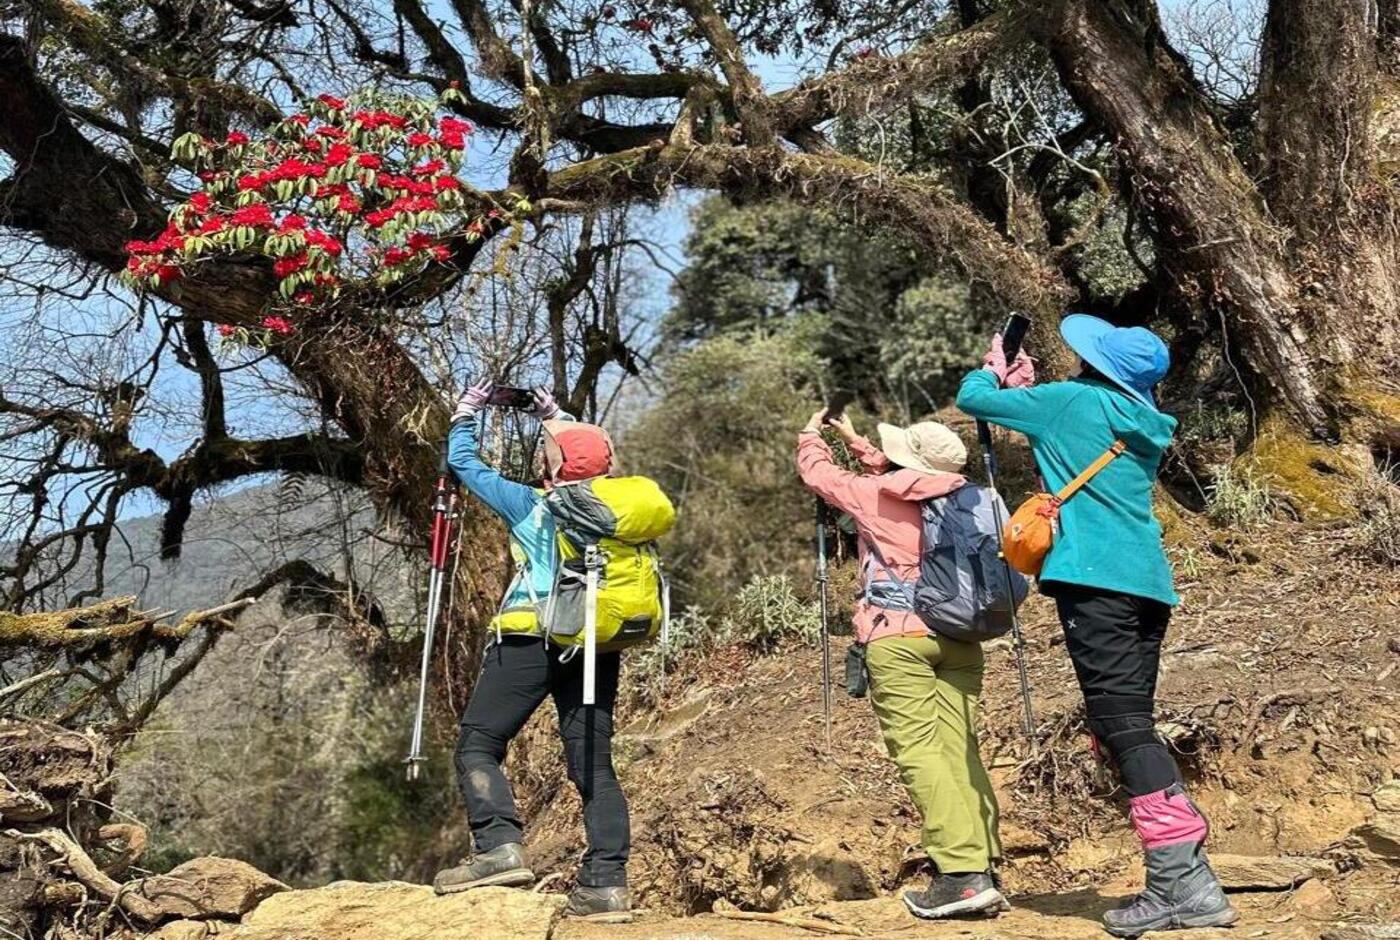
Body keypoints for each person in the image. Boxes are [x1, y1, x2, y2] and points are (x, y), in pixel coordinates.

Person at [957, 315, 1238, 937]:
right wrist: (1026, 386)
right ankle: (1185, 878)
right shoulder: (1140, 421)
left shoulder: (1069, 400)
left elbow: (972, 400)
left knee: (1122, 727)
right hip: (1147, 584)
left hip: (1095, 581)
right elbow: (1066, 427)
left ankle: (1182, 885)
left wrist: (994, 371)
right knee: (1128, 725)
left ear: (1092, 361)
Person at [432, 380, 633, 924]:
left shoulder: (531, 504)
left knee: (478, 743)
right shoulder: (624, 510)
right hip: (595, 640)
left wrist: (466, 412)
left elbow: (466, 464)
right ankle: (607, 886)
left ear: (551, 467)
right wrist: (556, 416)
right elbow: (581, 452)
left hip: (530, 636)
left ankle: (498, 847)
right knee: (593, 762)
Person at [796, 411, 1008, 920]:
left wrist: (812, 436)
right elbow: (902, 477)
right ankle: (981, 861)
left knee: (919, 751)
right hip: (961, 635)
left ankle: (959, 875)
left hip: (899, 636)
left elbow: (820, 477)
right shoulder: (976, 497)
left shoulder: (878, 496)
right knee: (960, 748)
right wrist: (859, 443)